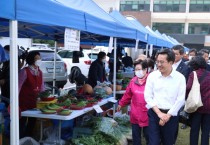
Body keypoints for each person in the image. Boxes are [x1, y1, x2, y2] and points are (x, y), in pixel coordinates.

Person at [144, 49, 186, 145]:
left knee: (168, 142)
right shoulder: (152, 76)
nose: (159, 64)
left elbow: (180, 99)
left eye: (162, 62)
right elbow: (148, 96)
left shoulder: (180, 78)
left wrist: (168, 115)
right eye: (157, 61)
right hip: (154, 113)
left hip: (171, 115)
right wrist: (159, 113)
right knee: (153, 142)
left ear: (171, 62)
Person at [117, 60, 149, 145]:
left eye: (139, 69)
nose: (137, 71)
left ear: (145, 69)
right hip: (135, 112)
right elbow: (128, 94)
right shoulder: (133, 81)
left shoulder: (151, 81)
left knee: (149, 137)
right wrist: (121, 103)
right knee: (136, 137)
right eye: (136, 69)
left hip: (148, 114)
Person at [19, 51, 45, 138]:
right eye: (37, 58)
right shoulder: (24, 71)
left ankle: (28, 139)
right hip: (23, 102)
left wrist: (43, 97)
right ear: (31, 60)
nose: (39, 60)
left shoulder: (40, 72)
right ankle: (19, 140)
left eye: (39, 58)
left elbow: (42, 87)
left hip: (34, 102)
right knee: (21, 123)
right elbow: (18, 87)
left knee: (32, 122)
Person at [187, 56, 210, 145]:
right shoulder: (209, 74)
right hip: (208, 106)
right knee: (206, 130)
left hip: (196, 106)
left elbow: (188, 87)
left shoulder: (193, 74)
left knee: (194, 129)